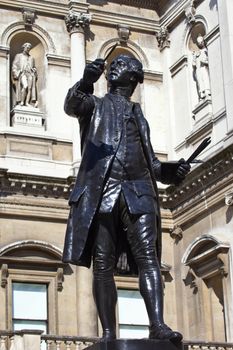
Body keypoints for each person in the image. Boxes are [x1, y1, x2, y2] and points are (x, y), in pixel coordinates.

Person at [62, 54, 190, 342]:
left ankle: (157, 324)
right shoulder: (94, 104)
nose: (113, 67)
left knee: (149, 259)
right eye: (113, 65)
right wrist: (85, 81)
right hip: (103, 191)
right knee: (103, 262)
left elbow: (153, 165)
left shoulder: (137, 112)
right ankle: (108, 333)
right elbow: (72, 105)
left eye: (121, 65)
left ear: (134, 76)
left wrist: (174, 171)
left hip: (139, 191)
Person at [11, 42, 38, 107]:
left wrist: (34, 70)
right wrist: (16, 72)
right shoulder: (18, 56)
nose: (28, 49)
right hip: (22, 73)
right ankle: (22, 101)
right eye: (27, 47)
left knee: (30, 88)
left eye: (29, 48)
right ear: (24, 47)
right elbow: (14, 65)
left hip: (30, 74)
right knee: (25, 86)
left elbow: (34, 67)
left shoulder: (31, 58)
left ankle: (27, 102)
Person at [192, 34, 211, 100]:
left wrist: (205, 62)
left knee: (205, 79)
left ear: (203, 42)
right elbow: (194, 64)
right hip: (198, 70)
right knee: (200, 82)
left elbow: (210, 61)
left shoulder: (206, 50)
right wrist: (194, 57)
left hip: (204, 68)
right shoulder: (197, 53)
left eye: (201, 42)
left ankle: (207, 92)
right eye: (198, 43)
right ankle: (201, 94)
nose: (200, 43)